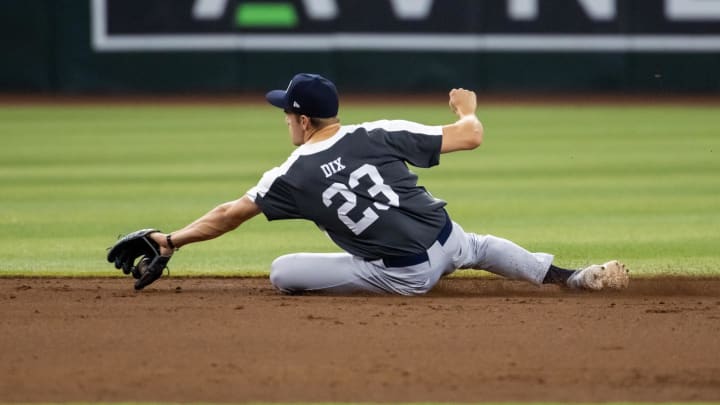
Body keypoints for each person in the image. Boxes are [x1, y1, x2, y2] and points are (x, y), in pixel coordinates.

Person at [147, 73, 629, 295]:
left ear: (303, 120)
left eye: (286, 114)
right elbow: (473, 135)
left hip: (405, 276)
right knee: (478, 244)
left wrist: (170, 241)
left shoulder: (289, 175)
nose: (285, 122)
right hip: (449, 238)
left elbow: (228, 216)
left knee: (282, 272)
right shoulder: (377, 131)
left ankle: (408, 273)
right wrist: (466, 110)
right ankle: (571, 278)